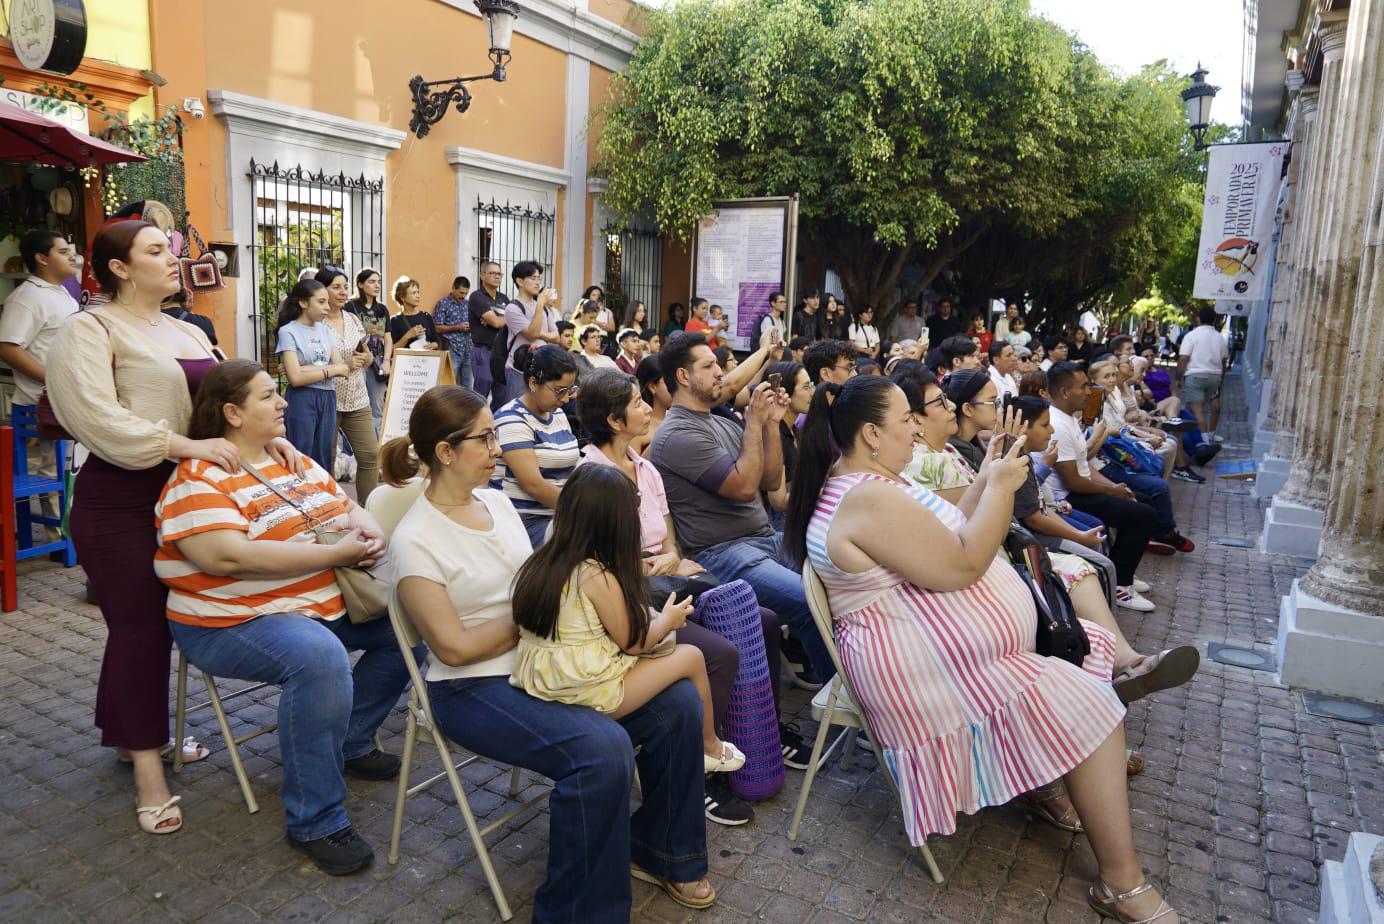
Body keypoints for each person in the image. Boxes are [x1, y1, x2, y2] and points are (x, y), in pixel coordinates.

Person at [780, 375, 1185, 924]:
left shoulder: (873, 479)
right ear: (872, 434)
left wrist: (989, 472)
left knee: (1086, 647)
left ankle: (1050, 776)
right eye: (906, 420)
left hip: (942, 654)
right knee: (1091, 705)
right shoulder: (868, 496)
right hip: (919, 673)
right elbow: (964, 564)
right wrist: (1000, 488)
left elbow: (951, 523)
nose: (916, 430)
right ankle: (1121, 883)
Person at [383, 384, 713, 916]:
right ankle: (575, 911)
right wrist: (538, 613)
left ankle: (661, 850)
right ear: (445, 451)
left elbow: (554, 570)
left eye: (495, 436)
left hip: (545, 660)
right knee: (601, 749)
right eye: (485, 439)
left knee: (678, 703)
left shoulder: (495, 502)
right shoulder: (414, 540)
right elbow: (454, 648)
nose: (498, 449)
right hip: (471, 687)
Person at [46, 221, 288, 836]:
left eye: (172, 249)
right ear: (119, 267)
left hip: (191, 496)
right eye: (156, 251)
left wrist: (268, 439)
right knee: (141, 628)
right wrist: (187, 446)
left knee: (162, 623)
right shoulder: (89, 328)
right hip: (120, 502)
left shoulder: (187, 330)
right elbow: (95, 417)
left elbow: (226, 404)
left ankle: (129, 735)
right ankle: (150, 771)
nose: (174, 259)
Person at [154, 360, 406, 873]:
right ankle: (316, 818)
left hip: (317, 603)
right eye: (269, 395)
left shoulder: (290, 458)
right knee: (319, 658)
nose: (283, 402)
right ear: (232, 413)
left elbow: (343, 506)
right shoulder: (198, 478)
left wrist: (368, 528)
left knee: (410, 626)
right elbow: (227, 557)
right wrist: (335, 554)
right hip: (229, 620)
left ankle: (350, 739)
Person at [509, 463, 746, 775]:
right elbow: (634, 643)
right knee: (691, 657)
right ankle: (710, 747)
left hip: (542, 677)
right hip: (584, 688)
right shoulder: (596, 575)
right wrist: (668, 619)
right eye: (634, 506)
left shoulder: (543, 560)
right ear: (615, 522)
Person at [649, 333, 834, 701]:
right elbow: (745, 488)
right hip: (724, 553)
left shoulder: (721, 423)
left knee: (842, 576)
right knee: (809, 600)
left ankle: (850, 686)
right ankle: (848, 701)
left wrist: (770, 424)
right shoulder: (676, 434)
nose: (721, 372)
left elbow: (770, 480)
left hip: (764, 540)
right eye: (709, 366)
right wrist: (752, 423)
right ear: (683, 377)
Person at [1045, 363, 1159, 612]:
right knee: (1143, 515)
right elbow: (1073, 481)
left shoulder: (1069, 418)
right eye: (1083, 386)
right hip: (1069, 497)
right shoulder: (1057, 425)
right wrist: (1111, 491)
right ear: (1064, 392)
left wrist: (1115, 487)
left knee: (1144, 501)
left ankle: (1122, 570)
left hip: (1081, 488)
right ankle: (1120, 586)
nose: (1089, 391)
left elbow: (1084, 464)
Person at [0, 229, 79, 530]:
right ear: (41, 258)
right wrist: (52, 379)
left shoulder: (61, 293)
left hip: (68, 398)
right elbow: (7, 347)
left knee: (72, 467)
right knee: (54, 468)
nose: (72, 256)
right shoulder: (27, 297)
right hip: (41, 401)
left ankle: (72, 530)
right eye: (63, 251)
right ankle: (59, 534)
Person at [493, 344, 580, 547]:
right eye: (559, 391)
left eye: (570, 390)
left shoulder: (557, 414)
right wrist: (582, 509)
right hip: (525, 521)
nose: (565, 399)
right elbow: (533, 485)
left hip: (558, 515)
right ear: (533, 383)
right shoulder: (511, 419)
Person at [276, 278, 365, 468]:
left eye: (327, 302)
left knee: (323, 457)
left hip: (328, 396)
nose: (327, 307)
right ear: (303, 303)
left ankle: (322, 488)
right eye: (321, 302)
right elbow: (296, 379)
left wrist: (303, 368)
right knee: (300, 455)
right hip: (302, 398)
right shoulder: (288, 331)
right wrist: (329, 370)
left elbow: (342, 368)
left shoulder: (325, 331)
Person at [317, 267, 379, 501]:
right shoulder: (316, 324)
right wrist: (346, 363)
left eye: (345, 287)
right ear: (321, 290)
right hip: (328, 399)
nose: (343, 292)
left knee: (370, 456)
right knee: (327, 460)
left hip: (357, 399)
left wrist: (366, 358)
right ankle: (330, 510)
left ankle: (367, 509)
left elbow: (367, 355)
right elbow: (312, 364)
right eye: (336, 287)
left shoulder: (352, 319)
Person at [503, 261, 563, 400]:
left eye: (538, 278)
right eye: (532, 278)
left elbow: (556, 337)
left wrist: (540, 334)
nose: (537, 283)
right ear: (520, 281)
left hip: (541, 368)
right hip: (519, 370)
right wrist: (540, 304)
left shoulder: (544, 308)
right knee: (519, 408)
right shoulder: (513, 308)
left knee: (540, 408)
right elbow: (532, 334)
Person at [345, 268, 392, 430]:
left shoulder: (382, 309)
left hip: (377, 361)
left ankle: (376, 442)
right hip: (357, 360)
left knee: (377, 407)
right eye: (372, 282)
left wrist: (387, 361)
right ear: (360, 284)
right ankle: (352, 444)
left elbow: (388, 337)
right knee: (355, 405)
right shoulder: (350, 306)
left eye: (378, 282)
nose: (377, 285)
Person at [1176, 307, 1228, 444]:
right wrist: (1221, 380)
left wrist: (1178, 378)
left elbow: (1183, 358)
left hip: (1195, 376)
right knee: (1200, 407)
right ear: (1214, 320)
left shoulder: (1191, 336)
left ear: (1198, 318)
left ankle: (1204, 443)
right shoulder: (1220, 338)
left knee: (1198, 410)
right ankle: (1200, 436)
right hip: (1214, 377)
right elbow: (1224, 361)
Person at [466, 261, 508, 405]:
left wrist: (496, 318)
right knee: (480, 397)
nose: (497, 277)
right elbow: (496, 322)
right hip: (484, 352)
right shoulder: (477, 297)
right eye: (492, 273)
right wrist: (499, 319)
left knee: (502, 397)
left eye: (499, 274)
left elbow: (512, 320)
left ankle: (497, 420)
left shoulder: (503, 298)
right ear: (482, 275)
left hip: (502, 353)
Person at [433, 275, 474, 389]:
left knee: (468, 387)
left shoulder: (468, 304)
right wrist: (457, 327)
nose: (463, 296)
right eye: (461, 292)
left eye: (466, 293)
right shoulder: (442, 304)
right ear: (453, 288)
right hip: (452, 349)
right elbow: (437, 328)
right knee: (450, 385)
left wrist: (472, 327)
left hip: (468, 349)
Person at [388, 277, 439, 354]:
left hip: (425, 360)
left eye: (418, 292)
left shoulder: (426, 316)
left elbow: (436, 342)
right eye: (413, 293)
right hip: (405, 360)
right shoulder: (394, 321)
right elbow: (390, 350)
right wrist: (407, 336)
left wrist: (432, 345)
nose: (418, 296)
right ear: (402, 297)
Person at [633, 354, 671, 455]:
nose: (677, 386)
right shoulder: (637, 429)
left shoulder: (678, 417)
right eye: (669, 381)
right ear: (653, 387)